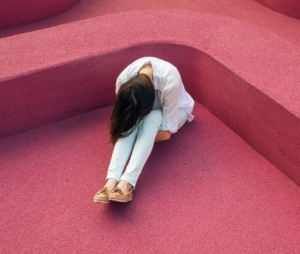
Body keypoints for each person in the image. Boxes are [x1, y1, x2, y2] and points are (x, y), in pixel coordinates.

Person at [93, 56, 194, 203]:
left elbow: (166, 134)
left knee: (151, 117)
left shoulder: (170, 79)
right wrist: (130, 131)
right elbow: (123, 120)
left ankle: (126, 183)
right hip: (149, 113)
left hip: (177, 111)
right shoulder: (123, 81)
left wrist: (137, 140)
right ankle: (111, 182)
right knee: (129, 125)